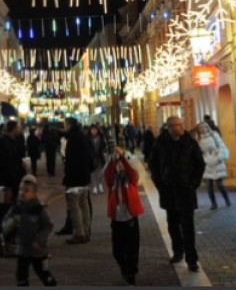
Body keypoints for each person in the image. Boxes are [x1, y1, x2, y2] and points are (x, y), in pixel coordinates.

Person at [148, 116, 204, 272]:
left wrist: (194, 183)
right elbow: (153, 164)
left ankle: (191, 259)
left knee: (188, 226)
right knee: (173, 225)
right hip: (168, 190)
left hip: (186, 190)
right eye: (177, 125)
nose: (181, 127)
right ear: (170, 127)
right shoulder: (160, 143)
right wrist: (160, 184)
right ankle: (178, 252)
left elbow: (199, 163)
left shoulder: (190, 142)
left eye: (181, 124)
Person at [2, 175, 58, 287]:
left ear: (33, 194)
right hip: (22, 250)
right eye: (21, 189)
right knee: (21, 276)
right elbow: (5, 224)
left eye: (26, 190)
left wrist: (39, 239)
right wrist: (10, 225)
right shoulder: (15, 209)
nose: (22, 192)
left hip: (38, 251)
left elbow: (48, 225)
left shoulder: (38, 210)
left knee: (44, 273)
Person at [104, 146, 144, 286]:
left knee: (132, 249)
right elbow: (107, 177)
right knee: (117, 251)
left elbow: (133, 174)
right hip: (116, 218)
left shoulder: (131, 178)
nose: (120, 165)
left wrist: (122, 157)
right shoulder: (113, 180)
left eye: (122, 163)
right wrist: (113, 160)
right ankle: (125, 268)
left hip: (130, 217)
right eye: (118, 163)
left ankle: (131, 273)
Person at [0, 120, 26, 258]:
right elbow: (10, 166)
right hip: (7, 186)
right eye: (18, 127)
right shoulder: (8, 144)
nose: (19, 130)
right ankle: (7, 246)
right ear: (13, 129)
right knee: (9, 216)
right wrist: (16, 180)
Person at [63, 117, 91, 245]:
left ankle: (79, 233)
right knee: (84, 204)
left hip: (74, 178)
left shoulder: (72, 138)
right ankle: (85, 231)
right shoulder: (82, 136)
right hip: (84, 177)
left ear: (69, 125)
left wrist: (67, 176)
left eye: (65, 125)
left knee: (74, 206)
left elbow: (70, 161)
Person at [195, 122, 231, 210]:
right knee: (209, 186)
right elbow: (199, 152)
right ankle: (213, 203)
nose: (202, 129)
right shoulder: (198, 139)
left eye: (204, 127)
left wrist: (220, 157)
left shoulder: (214, 135)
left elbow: (221, 146)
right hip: (207, 163)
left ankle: (226, 199)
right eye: (200, 128)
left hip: (217, 160)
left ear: (207, 128)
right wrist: (203, 159)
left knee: (219, 184)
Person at [87, 125, 106, 195]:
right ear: (90, 131)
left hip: (100, 157)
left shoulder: (101, 137)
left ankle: (100, 184)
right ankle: (95, 186)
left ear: (97, 130)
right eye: (92, 130)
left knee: (102, 171)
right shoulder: (87, 138)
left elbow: (104, 145)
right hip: (91, 158)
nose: (94, 131)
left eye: (95, 130)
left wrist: (102, 150)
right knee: (92, 172)